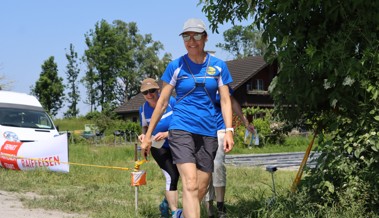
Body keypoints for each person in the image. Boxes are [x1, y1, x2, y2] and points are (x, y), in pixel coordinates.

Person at [141, 18, 235, 218]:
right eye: (186, 36)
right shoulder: (176, 66)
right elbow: (163, 102)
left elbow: (226, 101)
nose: (191, 40)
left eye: (196, 35)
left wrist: (229, 131)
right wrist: (148, 135)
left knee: (200, 187)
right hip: (181, 128)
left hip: (208, 131)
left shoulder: (218, 67)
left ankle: (181, 215)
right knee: (190, 183)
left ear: (205, 38)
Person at [204, 94, 255, 218]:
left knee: (217, 164)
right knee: (205, 169)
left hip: (220, 129)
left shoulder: (220, 81)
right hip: (202, 130)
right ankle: (208, 209)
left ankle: (221, 208)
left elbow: (232, 102)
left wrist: (245, 122)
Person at [137, 78, 180, 217]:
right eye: (145, 92)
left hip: (177, 143)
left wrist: (168, 134)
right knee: (171, 176)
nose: (149, 94)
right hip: (158, 146)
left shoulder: (172, 102)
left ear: (158, 90)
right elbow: (145, 127)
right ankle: (175, 213)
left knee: (180, 175)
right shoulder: (143, 109)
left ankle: (165, 204)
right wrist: (143, 136)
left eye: (152, 91)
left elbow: (183, 121)